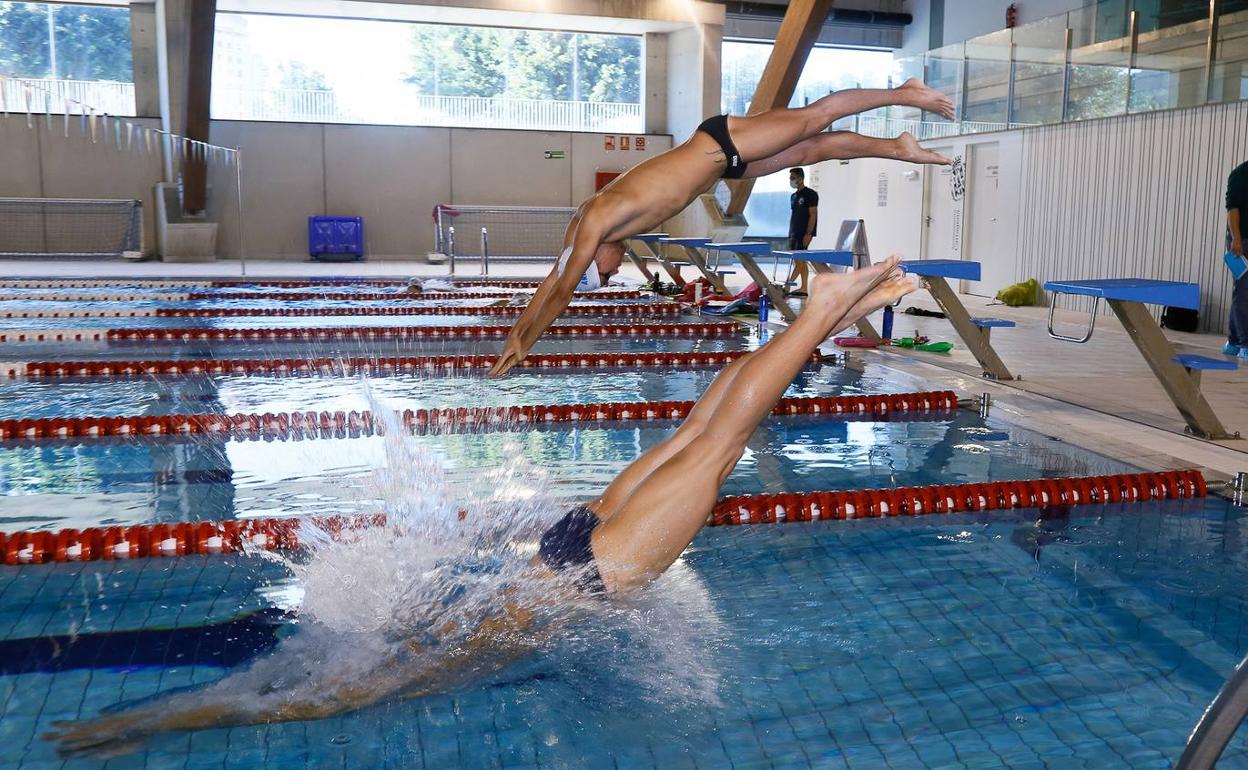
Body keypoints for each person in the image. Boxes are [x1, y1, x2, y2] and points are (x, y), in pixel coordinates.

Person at [48, 258, 915, 758]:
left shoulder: (378, 673)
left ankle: (830, 305)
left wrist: (141, 726)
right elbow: (270, 687)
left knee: (715, 441)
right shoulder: (394, 637)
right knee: (704, 433)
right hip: (573, 558)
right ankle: (835, 310)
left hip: (585, 568)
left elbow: (281, 701)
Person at [487, 78, 954, 377]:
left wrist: (522, 341)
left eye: (604, 272)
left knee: (815, 119)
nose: (610, 271)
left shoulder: (596, 220)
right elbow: (555, 279)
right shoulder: (600, 227)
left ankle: (903, 92)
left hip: (719, 142)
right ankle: (896, 146)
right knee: (814, 150)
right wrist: (520, 331)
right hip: (719, 165)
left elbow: (564, 285)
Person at [1225, 159, 1248, 360]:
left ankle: (1233, 341)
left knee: (1241, 291)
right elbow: (1232, 209)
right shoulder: (1241, 174)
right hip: (1243, 241)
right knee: (1244, 292)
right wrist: (1236, 238)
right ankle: (1245, 343)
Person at [783, 167, 818, 297]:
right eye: (790, 178)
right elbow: (795, 215)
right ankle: (804, 288)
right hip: (794, 232)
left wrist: (808, 233)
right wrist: (791, 232)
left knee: (799, 260)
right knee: (800, 261)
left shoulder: (810, 194)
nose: (791, 181)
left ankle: (787, 286)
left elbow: (813, 214)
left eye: (793, 178)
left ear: (800, 178)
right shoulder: (793, 196)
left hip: (804, 233)